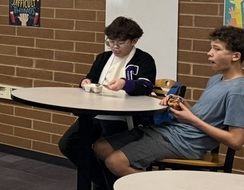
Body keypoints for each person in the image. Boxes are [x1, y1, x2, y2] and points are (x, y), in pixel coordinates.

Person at [94, 25, 244, 178]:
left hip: (186, 143)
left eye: (217, 49)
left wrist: (191, 119)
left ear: (235, 56)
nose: (209, 53)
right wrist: (182, 104)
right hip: (169, 130)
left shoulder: (238, 91)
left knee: (115, 162)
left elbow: (236, 141)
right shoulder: (216, 80)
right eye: (211, 48)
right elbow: (203, 116)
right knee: (100, 147)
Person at [57, 17, 156, 168]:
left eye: (120, 43)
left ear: (134, 41)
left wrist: (125, 84)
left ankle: (108, 179)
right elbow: (90, 78)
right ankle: (101, 180)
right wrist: (85, 83)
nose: (115, 47)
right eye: (111, 42)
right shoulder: (103, 58)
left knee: (104, 148)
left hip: (122, 116)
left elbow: (146, 86)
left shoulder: (144, 59)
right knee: (68, 144)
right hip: (96, 112)